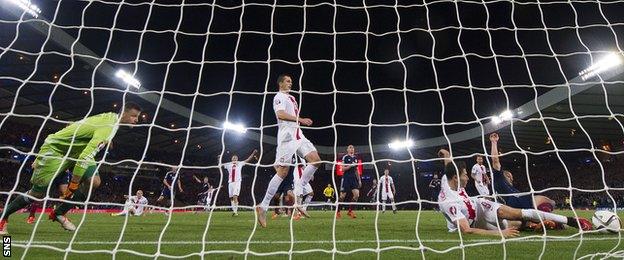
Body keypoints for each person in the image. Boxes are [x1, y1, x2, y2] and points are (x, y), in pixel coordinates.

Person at [0, 102, 142, 234]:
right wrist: (73, 185)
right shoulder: (108, 126)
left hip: (75, 151)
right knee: (37, 194)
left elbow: (87, 128)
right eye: (134, 116)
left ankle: (59, 213)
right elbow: (85, 158)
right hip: (56, 150)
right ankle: (3, 217)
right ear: (123, 113)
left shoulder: (111, 118)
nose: (137, 120)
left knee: (94, 181)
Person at [437, 148, 592, 237]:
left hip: (479, 205)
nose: (468, 178)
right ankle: (535, 225)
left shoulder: (448, 178)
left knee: (520, 213)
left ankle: (571, 220)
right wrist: (500, 234)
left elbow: (449, 165)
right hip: (474, 222)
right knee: (514, 225)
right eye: (465, 175)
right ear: (456, 178)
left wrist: (445, 153)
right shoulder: (449, 202)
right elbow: (467, 230)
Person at [256, 74, 322, 228]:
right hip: (287, 137)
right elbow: (280, 114)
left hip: (298, 135)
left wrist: (299, 123)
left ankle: (298, 192)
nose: (290, 83)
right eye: (287, 81)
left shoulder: (292, 98)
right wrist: (301, 119)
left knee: (316, 160)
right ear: (280, 83)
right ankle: (263, 206)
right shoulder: (278, 96)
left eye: (291, 81)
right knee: (282, 172)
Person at [489, 133, 556, 211]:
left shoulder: (510, 187)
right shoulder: (499, 178)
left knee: (551, 203)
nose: (511, 178)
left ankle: (540, 220)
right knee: (550, 202)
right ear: (502, 175)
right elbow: (495, 161)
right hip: (517, 201)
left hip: (520, 200)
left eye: (511, 177)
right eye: (508, 176)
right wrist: (494, 142)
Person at [222, 150, 257, 216]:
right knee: (231, 198)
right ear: (231, 159)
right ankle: (234, 210)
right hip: (230, 183)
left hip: (237, 182)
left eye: (236, 158)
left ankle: (235, 212)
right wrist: (218, 158)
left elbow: (248, 159)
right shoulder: (228, 164)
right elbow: (220, 165)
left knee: (235, 196)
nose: (234, 158)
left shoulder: (240, 163)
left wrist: (253, 153)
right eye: (233, 158)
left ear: (237, 159)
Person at [337, 145, 361, 219]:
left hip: (354, 178)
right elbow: (343, 169)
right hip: (346, 178)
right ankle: (338, 212)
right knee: (342, 196)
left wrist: (359, 180)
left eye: (353, 148)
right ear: (347, 149)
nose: (352, 149)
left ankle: (350, 211)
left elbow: (356, 170)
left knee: (356, 195)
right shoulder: (345, 157)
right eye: (350, 148)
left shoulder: (355, 158)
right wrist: (350, 166)